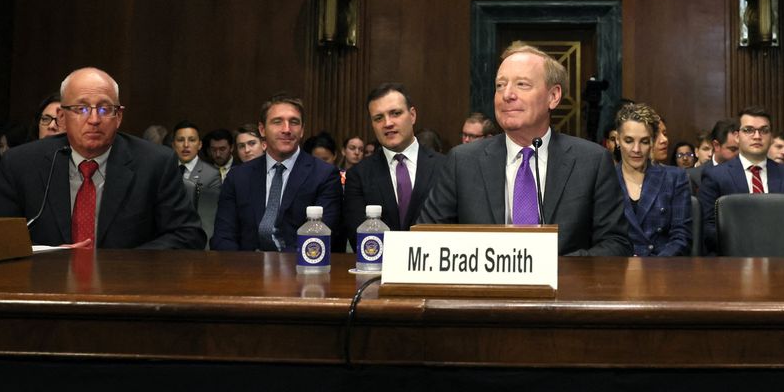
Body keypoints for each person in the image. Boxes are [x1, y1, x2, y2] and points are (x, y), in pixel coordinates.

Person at [419, 42, 630, 256]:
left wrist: (550, 269)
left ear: (553, 96)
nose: (507, 94)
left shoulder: (591, 161)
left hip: (565, 286)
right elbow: (424, 239)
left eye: (522, 84)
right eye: (500, 85)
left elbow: (616, 244)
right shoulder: (462, 161)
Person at [0, 67, 205, 249]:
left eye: (104, 109)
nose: (93, 119)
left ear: (118, 117)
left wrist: (115, 264)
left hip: (125, 289)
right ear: (62, 117)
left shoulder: (155, 163)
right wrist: (44, 256)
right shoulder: (22, 164)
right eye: (81, 108)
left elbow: (188, 235)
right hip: (44, 285)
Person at [211, 94, 342, 252]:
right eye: (277, 122)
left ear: (302, 131)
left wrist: (278, 269)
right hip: (245, 269)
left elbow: (319, 238)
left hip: (299, 269)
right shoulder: (238, 177)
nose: (286, 129)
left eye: (294, 122)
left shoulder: (324, 175)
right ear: (262, 129)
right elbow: (223, 236)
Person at [343, 83, 447, 239]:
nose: (387, 123)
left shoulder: (445, 167)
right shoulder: (358, 175)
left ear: (412, 116)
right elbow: (359, 235)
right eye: (378, 118)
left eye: (395, 113)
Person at [698, 107, 784, 254]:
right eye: (748, 130)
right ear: (737, 136)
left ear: (771, 137)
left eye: (764, 130)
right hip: (732, 262)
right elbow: (707, 228)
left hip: (781, 260)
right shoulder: (715, 176)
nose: (757, 136)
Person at [614, 102, 691, 256]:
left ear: (652, 141)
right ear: (617, 140)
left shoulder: (675, 178)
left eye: (644, 141)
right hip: (618, 269)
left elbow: (681, 238)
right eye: (629, 141)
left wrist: (653, 269)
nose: (636, 149)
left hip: (662, 270)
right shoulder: (605, 179)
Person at [172, 120, 222, 241]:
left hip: (193, 239)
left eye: (192, 140)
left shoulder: (211, 175)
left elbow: (207, 221)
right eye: (180, 140)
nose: (186, 145)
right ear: (173, 145)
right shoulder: (165, 170)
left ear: (199, 145)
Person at [688, 119, 738, 197]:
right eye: (733, 149)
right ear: (716, 146)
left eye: (741, 150)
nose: (738, 154)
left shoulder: (747, 171)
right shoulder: (694, 176)